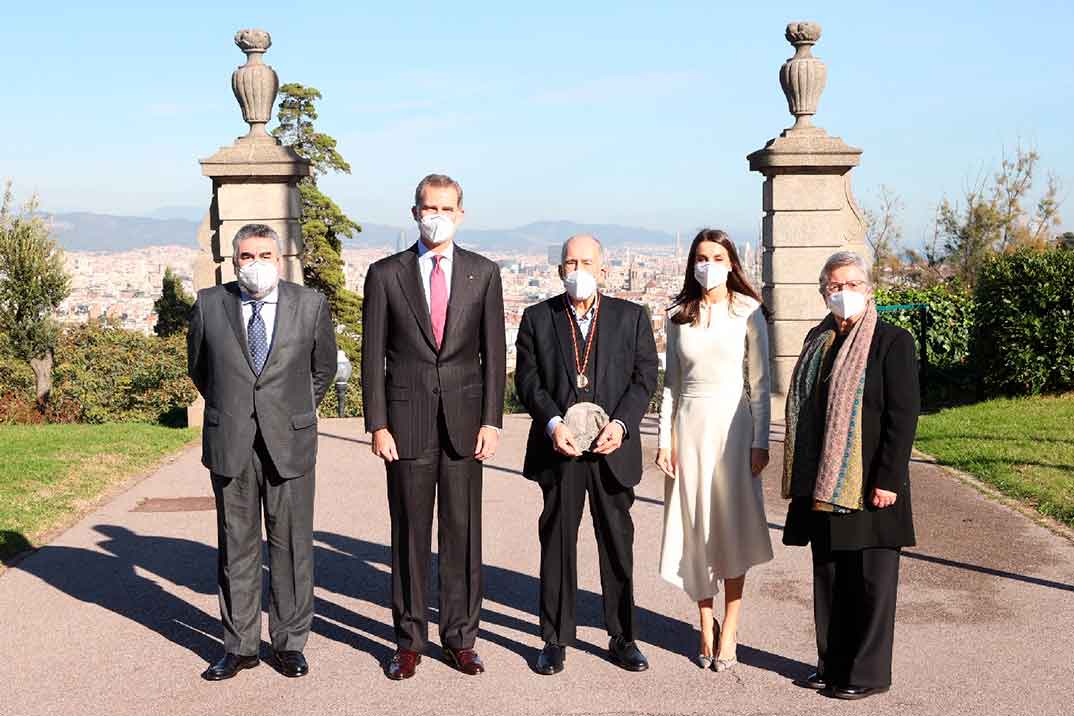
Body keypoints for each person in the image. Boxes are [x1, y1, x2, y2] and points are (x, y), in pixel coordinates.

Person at [361, 173, 506, 680]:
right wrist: (377, 423)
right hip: (406, 424)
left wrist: (493, 420)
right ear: (415, 212)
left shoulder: (483, 273)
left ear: (461, 214)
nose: (436, 215)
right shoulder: (385, 275)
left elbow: (493, 353)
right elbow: (371, 356)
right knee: (409, 535)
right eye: (428, 207)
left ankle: (461, 638)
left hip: (467, 424)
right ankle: (408, 640)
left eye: (445, 208)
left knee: (464, 535)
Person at [187, 223, 337, 681]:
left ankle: (289, 644)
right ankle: (240, 646)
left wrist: (287, 409)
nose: (256, 264)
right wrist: (236, 408)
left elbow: (323, 369)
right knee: (236, 546)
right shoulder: (211, 304)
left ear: (281, 259)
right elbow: (201, 370)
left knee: (292, 546)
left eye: (265, 255)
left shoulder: (309, 304)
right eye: (246, 257)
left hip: (288, 440)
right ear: (234, 262)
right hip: (231, 440)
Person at [515, 234, 659, 676]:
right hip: (561, 448)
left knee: (617, 543)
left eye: (587, 262)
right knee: (557, 541)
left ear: (604, 269)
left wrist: (621, 424)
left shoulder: (631, 317)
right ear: (559, 270)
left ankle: (623, 636)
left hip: (611, 446)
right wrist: (553, 424)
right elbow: (528, 380)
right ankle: (555, 638)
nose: (578, 270)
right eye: (570, 262)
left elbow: (644, 376)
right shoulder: (538, 317)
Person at [781, 250, 919, 701]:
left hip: (870, 483)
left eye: (851, 285)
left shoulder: (891, 342)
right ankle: (831, 663)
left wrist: (889, 480)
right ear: (824, 292)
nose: (842, 293)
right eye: (834, 286)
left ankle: (869, 671)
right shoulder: (817, 340)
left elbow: (903, 415)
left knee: (872, 580)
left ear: (869, 289)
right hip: (824, 481)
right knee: (831, 577)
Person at [655, 229, 773, 671]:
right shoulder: (677, 314)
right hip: (689, 426)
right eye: (702, 257)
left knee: (731, 525)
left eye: (717, 256)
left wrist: (761, 440)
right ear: (692, 262)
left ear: (731, 262)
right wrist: (664, 439)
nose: (709, 264)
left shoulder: (749, 311)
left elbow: (761, 384)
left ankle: (733, 623)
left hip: (734, 427)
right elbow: (670, 386)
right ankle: (705, 622)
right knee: (694, 525)